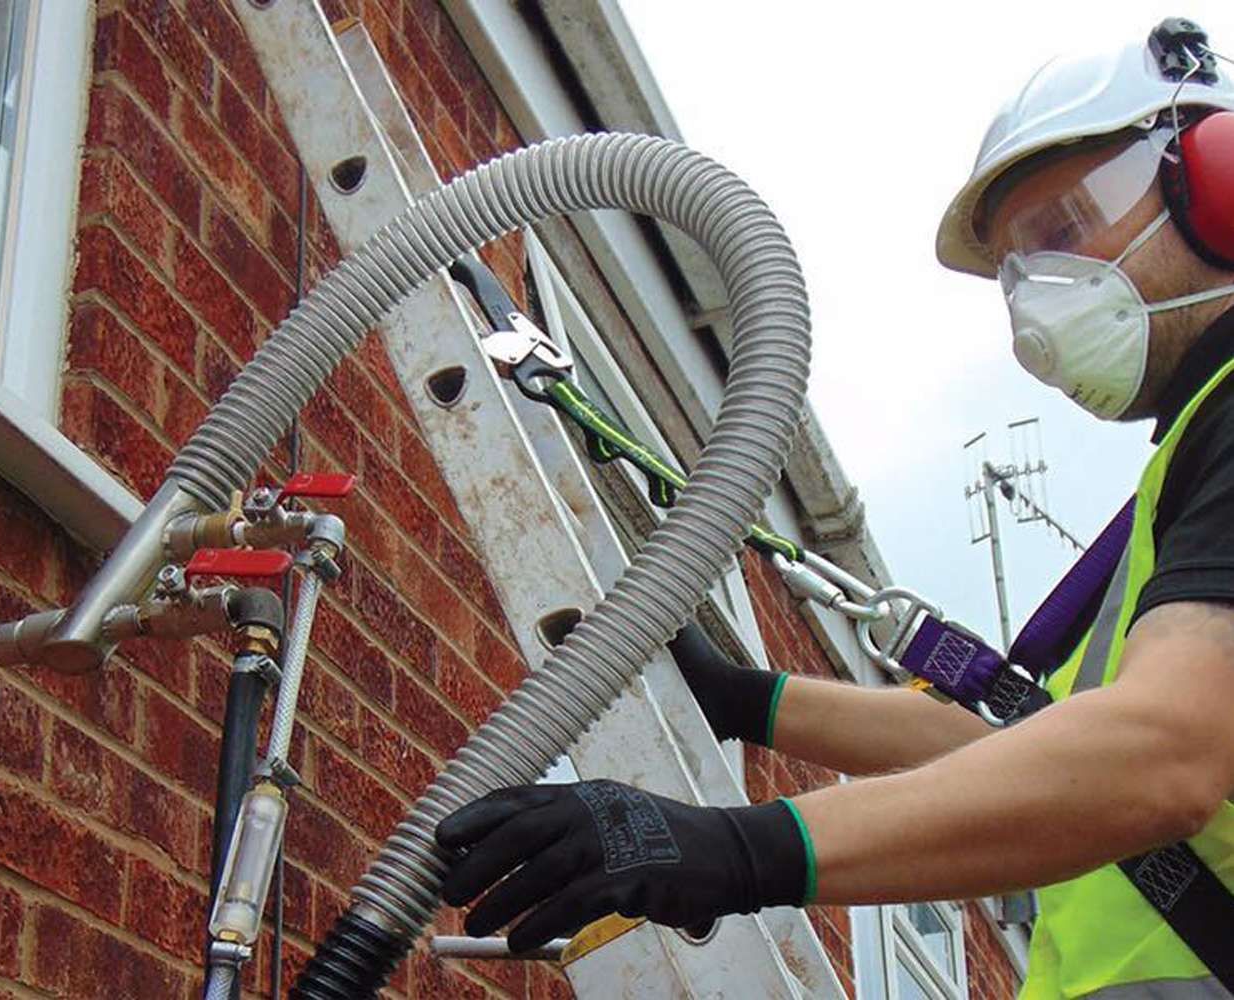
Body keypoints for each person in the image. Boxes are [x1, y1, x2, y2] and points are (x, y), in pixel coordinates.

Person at [437, 19, 1234, 997]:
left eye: (1064, 230)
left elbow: (1161, 754)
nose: (1040, 300)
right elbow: (1032, 754)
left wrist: (742, 848)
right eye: (1019, 271)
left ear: (1218, 179)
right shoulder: (1183, 481)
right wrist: (751, 703)